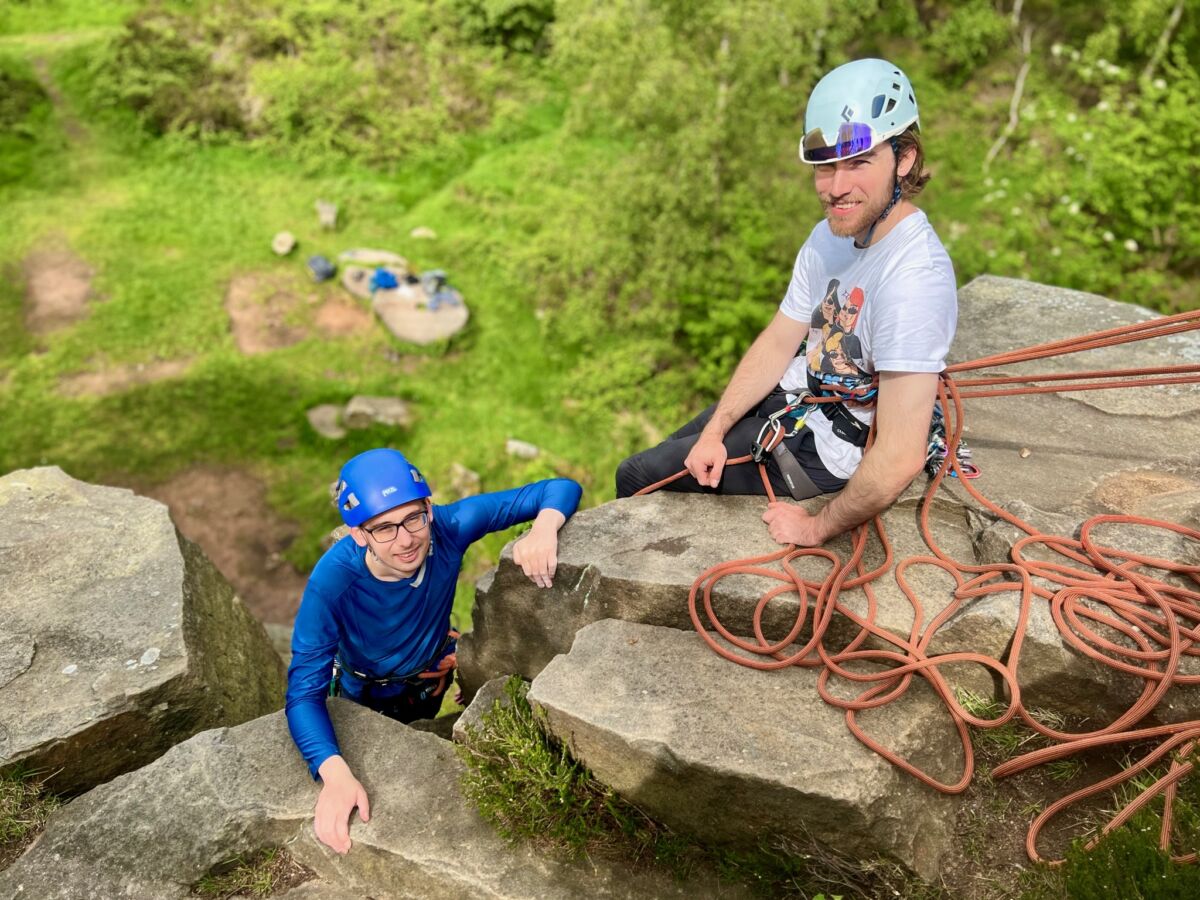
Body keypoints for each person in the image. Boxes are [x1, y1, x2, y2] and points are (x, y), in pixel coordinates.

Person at [615, 58, 957, 548]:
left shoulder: (914, 277)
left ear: (904, 159)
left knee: (635, 477)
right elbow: (779, 341)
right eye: (825, 166)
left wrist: (817, 527)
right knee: (674, 451)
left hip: (827, 446)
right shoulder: (828, 239)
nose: (836, 187)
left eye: (858, 163)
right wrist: (716, 428)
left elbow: (900, 455)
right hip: (797, 398)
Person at [286, 447, 582, 854]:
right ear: (358, 534)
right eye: (384, 528)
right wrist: (334, 774)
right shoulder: (333, 582)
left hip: (429, 677)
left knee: (420, 726)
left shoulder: (448, 526)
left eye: (413, 517)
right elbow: (303, 692)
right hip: (364, 690)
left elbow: (559, 489)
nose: (406, 539)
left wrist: (544, 528)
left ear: (429, 505)